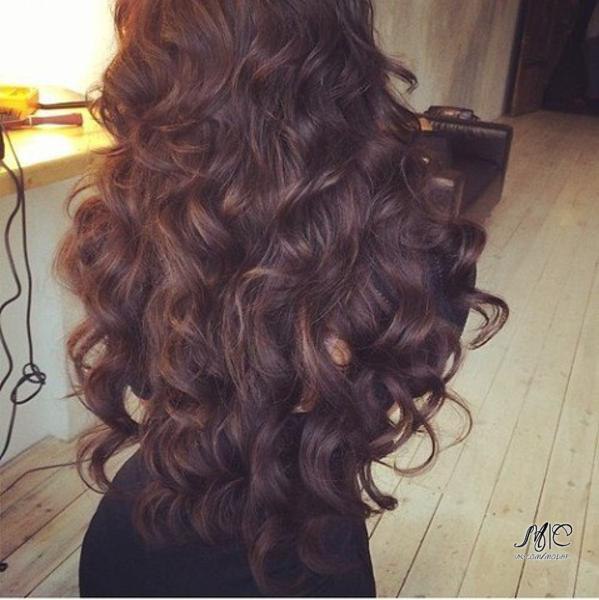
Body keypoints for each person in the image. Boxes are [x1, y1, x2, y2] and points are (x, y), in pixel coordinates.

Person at [54, 0, 508, 596]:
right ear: (344, 47)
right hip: (295, 550)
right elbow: (392, 383)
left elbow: (148, 382)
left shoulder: (135, 216)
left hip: (151, 542)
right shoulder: (411, 242)